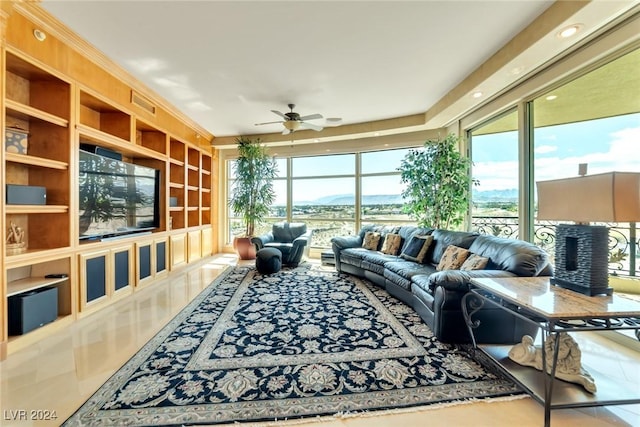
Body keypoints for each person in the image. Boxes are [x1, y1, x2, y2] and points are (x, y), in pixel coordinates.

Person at [508, 332, 597, 393]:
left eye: (561, 349)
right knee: (554, 371)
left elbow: (576, 361)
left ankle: (583, 377)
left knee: (573, 368)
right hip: (544, 360)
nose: (557, 351)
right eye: (555, 348)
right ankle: (581, 380)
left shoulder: (569, 354)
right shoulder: (547, 357)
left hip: (538, 353)